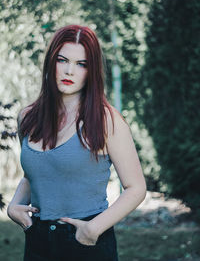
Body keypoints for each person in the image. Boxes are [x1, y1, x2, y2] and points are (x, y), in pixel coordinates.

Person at [7, 24, 147, 261]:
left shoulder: (106, 120)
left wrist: (93, 229)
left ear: (91, 71)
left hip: (87, 241)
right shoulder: (28, 117)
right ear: (51, 62)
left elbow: (136, 188)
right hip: (38, 242)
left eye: (81, 64)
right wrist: (14, 205)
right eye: (63, 60)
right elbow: (37, 173)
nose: (69, 71)